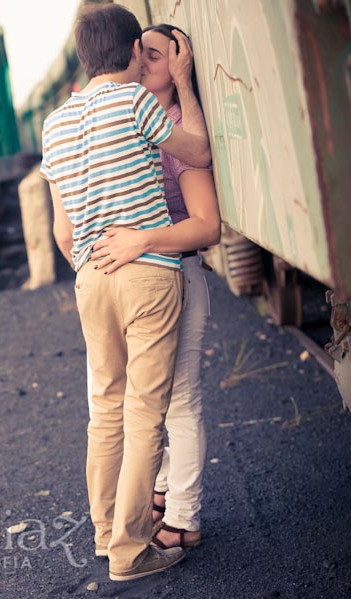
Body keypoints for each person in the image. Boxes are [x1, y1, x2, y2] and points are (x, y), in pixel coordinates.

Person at [40, 3, 211, 582]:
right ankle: (132, 550)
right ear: (135, 50)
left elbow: (61, 229)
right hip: (147, 272)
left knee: (105, 412)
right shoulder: (136, 101)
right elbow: (199, 152)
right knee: (145, 414)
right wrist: (183, 85)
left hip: (91, 276)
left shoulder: (56, 123)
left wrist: (89, 265)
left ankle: (105, 530)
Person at [87, 24, 221, 551]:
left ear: (179, 65)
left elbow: (207, 225)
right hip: (139, 278)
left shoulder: (177, 129)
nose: (141, 60)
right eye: (138, 50)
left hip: (177, 271)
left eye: (156, 55)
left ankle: (184, 516)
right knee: (145, 401)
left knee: (179, 400)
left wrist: (142, 241)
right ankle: (162, 488)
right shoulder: (128, 121)